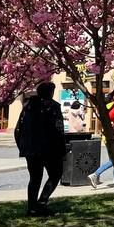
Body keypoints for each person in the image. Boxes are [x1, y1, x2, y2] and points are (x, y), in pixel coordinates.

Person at [15, 81, 66, 216]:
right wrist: (62, 148)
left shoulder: (27, 107)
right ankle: (42, 202)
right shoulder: (53, 107)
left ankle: (32, 207)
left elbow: (17, 129)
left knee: (35, 178)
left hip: (31, 149)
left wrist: (22, 146)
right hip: (50, 149)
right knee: (55, 174)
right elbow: (58, 128)